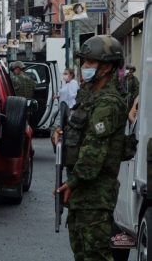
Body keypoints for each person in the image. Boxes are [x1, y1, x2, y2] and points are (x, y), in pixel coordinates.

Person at [53, 35, 127, 261]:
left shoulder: (108, 102)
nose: (84, 67)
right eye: (83, 62)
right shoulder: (89, 97)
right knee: (82, 253)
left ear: (106, 68)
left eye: (90, 63)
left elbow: (94, 152)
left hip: (95, 193)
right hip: (82, 193)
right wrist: (59, 135)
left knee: (95, 255)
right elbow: (77, 132)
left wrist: (71, 184)